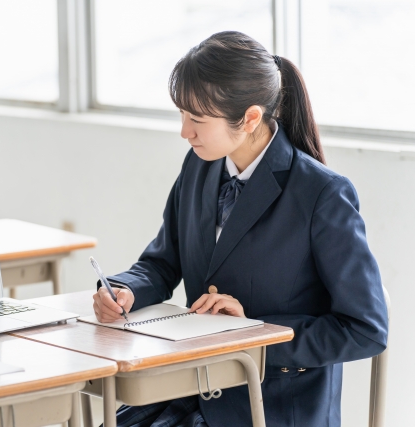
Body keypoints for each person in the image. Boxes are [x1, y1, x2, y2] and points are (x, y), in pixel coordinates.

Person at [92, 31, 388, 427]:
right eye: (182, 115)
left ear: (249, 118)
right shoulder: (198, 166)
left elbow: (365, 330)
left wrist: (253, 332)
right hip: (195, 387)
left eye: (197, 119)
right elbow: (162, 262)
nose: (185, 132)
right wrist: (126, 290)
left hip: (273, 405)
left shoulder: (322, 194)